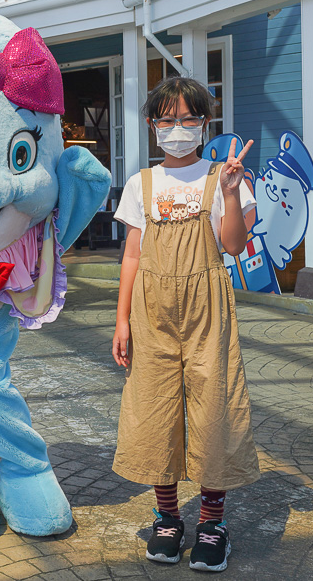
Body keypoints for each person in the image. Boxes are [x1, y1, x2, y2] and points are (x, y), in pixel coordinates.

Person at [111, 76, 260, 573]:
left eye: (189, 118)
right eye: (168, 119)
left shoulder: (223, 176)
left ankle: (213, 523)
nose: (178, 128)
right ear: (153, 125)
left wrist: (232, 193)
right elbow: (131, 255)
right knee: (155, 408)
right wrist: (121, 321)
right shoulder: (141, 183)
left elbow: (234, 245)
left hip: (207, 305)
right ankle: (168, 518)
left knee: (213, 406)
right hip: (151, 308)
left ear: (205, 122)